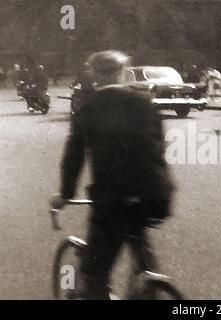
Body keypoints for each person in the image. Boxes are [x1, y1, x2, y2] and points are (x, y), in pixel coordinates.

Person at [50, 50, 174, 299]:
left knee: (95, 272)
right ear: (122, 73)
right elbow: (159, 146)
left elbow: (73, 158)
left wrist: (64, 195)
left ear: (93, 74)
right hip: (156, 195)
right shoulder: (144, 101)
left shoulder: (88, 108)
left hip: (112, 200)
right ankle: (150, 281)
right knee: (139, 242)